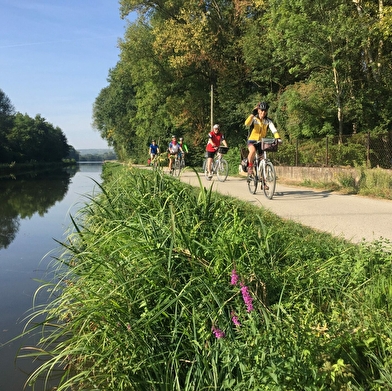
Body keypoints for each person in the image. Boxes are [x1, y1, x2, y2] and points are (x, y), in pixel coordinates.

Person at [245, 101, 281, 181]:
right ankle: (250, 167)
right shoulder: (254, 119)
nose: (263, 112)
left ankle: (263, 182)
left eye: (265, 111)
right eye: (261, 110)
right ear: (258, 110)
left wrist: (278, 138)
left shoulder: (268, 121)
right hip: (252, 141)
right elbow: (246, 123)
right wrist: (252, 114)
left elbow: (274, 130)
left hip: (262, 142)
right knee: (253, 151)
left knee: (263, 160)